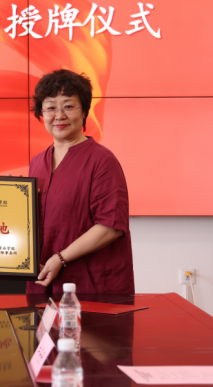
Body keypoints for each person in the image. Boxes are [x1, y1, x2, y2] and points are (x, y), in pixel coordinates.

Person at [28, 69, 134, 295]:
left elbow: (110, 226)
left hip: (90, 286)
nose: (59, 115)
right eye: (50, 107)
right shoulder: (37, 162)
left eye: (68, 106)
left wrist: (61, 259)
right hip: (42, 281)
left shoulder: (102, 160)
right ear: (41, 113)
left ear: (84, 111)